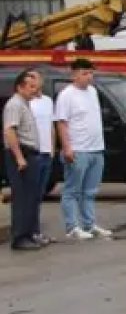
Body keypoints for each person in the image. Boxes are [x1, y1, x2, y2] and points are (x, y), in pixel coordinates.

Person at [55, 58, 112, 240]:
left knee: (90, 191)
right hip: (78, 149)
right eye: (84, 73)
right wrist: (67, 147)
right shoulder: (66, 95)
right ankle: (72, 227)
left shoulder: (93, 92)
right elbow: (61, 123)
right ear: (74, 75)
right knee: (72, 190)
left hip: (96, 148)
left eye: (91, 73)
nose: (89, 77)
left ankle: (89, 224)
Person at [3, 70, 45, 250]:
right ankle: (19, 237)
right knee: (21, 197)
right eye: (31, 86)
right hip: (22, 154)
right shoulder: (15, 105)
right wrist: (19, 157)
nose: (35, 90)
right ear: (20, 87)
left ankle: (29, 234)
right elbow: (10, 131)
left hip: (30, 154)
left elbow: (39, 91)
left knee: (30, 196)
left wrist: (36, 86)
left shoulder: (25, 103)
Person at [27, 70, 56, 245]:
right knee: (30, 195)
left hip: (46, 154)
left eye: (35, 78)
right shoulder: (27, 103)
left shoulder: (47, 101)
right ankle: (30, 232)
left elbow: (51, 126)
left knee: (39, 196)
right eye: (29, 78)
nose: (33, 81)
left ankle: (36, 231)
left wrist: (52, 148)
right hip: (34, 154)